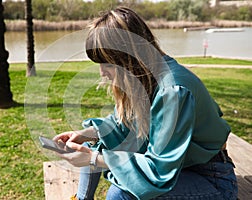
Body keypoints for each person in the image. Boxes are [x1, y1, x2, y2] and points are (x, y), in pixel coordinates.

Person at [53, 6, 238, 200]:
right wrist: (84, 135)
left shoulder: (173, 90)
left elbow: (159, 169)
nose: (102, 72)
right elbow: (124, 123)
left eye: (108, 64)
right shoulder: (148, 76)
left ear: (129, 57)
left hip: (211, 179)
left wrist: (93, 159)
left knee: (121, 194)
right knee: (99, 143)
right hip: (181, 169)